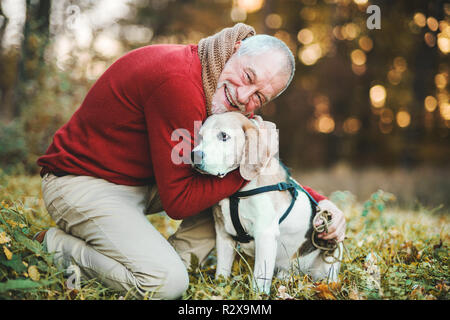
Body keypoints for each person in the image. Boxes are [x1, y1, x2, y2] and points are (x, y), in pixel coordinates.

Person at [34, 23, 346, 299]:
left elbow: (262, 168)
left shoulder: (222, 88)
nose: (242, 95)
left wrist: (318, 202)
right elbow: (180, 202)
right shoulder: (180, 83)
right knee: (166, 284)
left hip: (138, 183)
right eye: (248, 76)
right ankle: (56, 245)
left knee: (222, 205)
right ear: (236, 50)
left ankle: (162, 259)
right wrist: (246, 166)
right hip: (79, 182)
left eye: (258, 97)